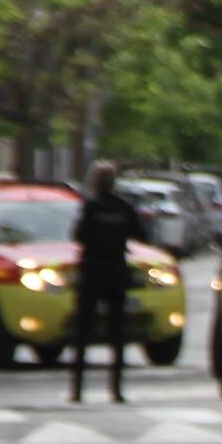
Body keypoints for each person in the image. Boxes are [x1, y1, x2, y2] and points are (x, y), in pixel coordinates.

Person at [69, 160, 147, 403]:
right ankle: (116, 390)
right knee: (117, 334)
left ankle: (77, 390)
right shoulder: (124, 207)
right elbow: (141, 235)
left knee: (82, 333)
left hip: (92, 273)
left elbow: (78, 236)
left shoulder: (91, 207)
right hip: (116, 273)